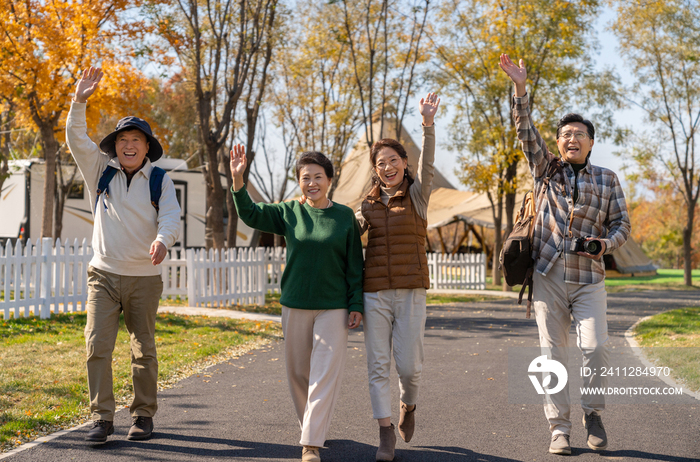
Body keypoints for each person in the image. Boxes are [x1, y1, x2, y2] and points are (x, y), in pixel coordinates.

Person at [499, 54, 630, 455]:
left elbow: (622, 226)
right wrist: (521, 89)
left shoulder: (607, 179)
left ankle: (593, 412)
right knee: (551, 354)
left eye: (579, 134)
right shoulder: (546, 169)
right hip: (549, 273)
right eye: (565, 134)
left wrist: (606, 245)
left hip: (589, 275)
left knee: (594, 347)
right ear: (557, 142)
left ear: (592, 141)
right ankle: (559, 428)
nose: (571, 139)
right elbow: (525, 132)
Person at [66, 67, 181, 443]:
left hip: (144, 278)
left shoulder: (161, 180)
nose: (129, 145)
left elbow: (171, 217)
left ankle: (143, 415)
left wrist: (163, 240)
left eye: (136, 140)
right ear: (114, 146)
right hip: (103, 274)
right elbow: (75, 138)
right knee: (97, 344)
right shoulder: (100, 171)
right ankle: (102, 417)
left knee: (142, 348)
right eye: (123, 140)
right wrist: (79, 100)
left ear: (147, 147)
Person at [229, 145, 363, 462]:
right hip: (294, 304)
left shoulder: (344, 216)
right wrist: (238, 180)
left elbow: (355, 265)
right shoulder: (290, 212)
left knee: (324, 373)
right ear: (299, 182)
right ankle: (311, 427)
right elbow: (250, 213)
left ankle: (310, 444)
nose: (312, 182)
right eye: (306, 178)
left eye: (318, 176)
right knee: (298, 373)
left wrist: (356, 302)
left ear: (330, 180)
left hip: (333, 307)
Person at [356, 92, 440, 462]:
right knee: (377, 366)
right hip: (374, 293)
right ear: (375, 169)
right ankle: (384, 432)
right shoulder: (367, 204)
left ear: (405, 163)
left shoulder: (418, 195)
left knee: (409, 366)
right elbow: (346, 235)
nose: (387, 167)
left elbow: (430, 164)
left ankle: (409, 404)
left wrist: (427, 124)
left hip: (410, 293)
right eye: (381, 163)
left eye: (393, 160)